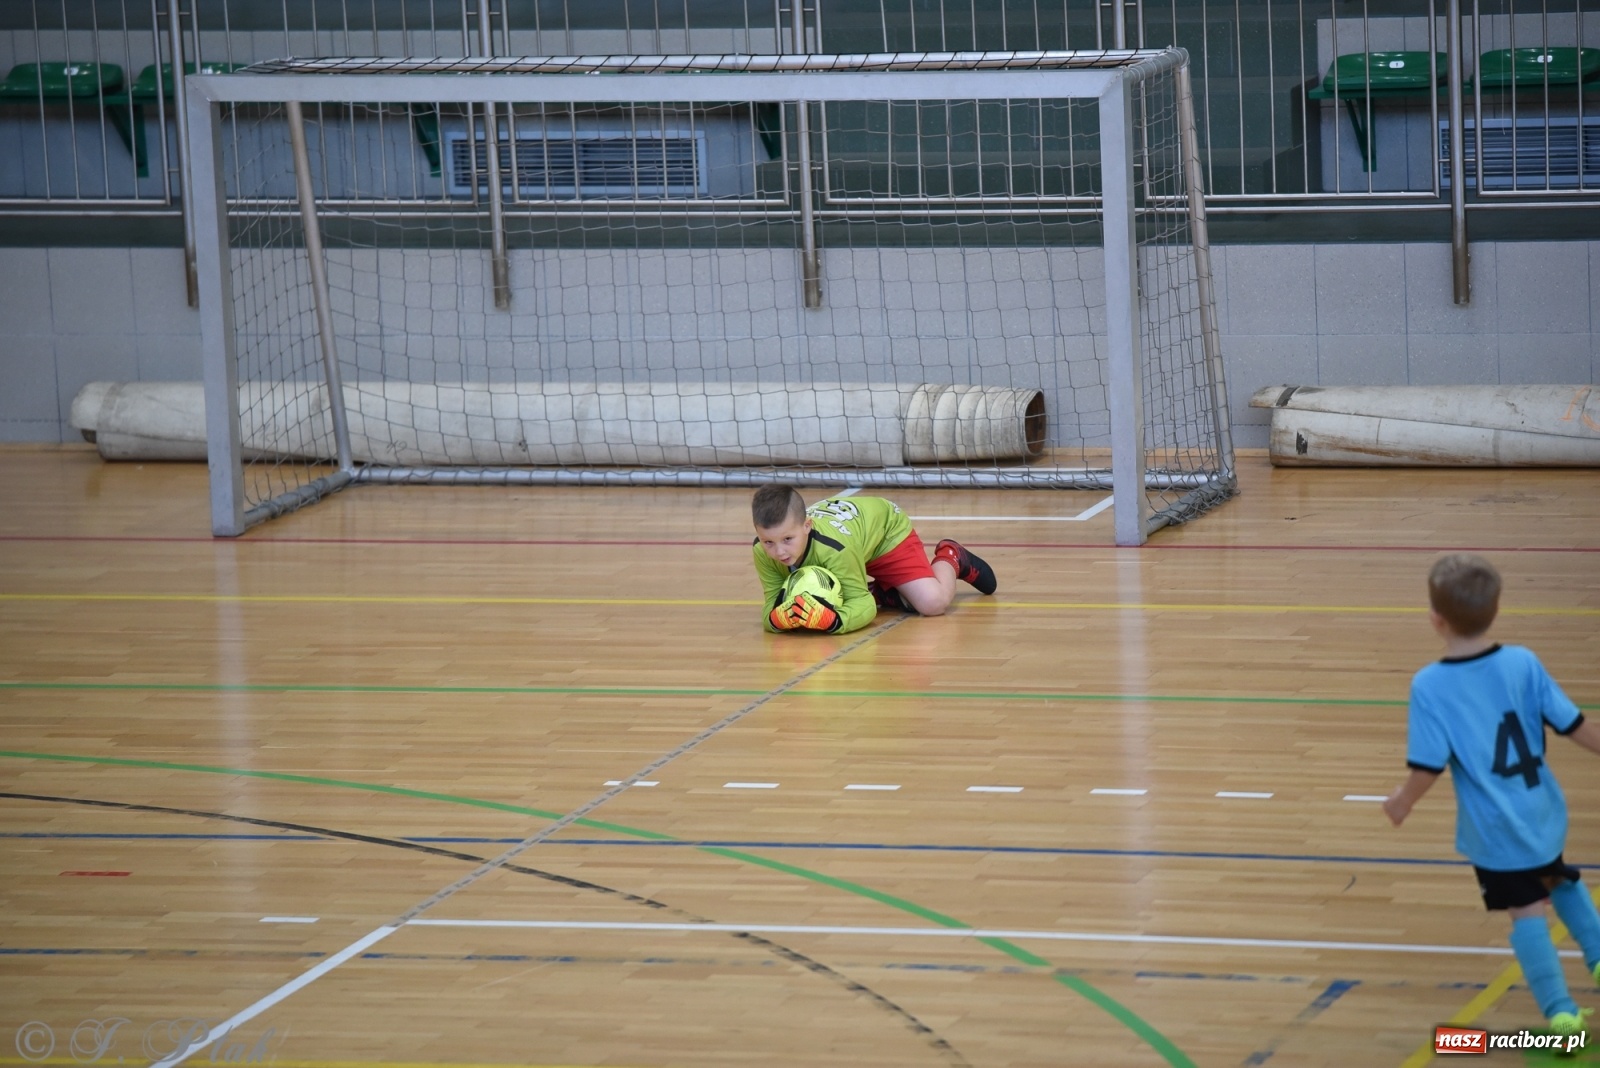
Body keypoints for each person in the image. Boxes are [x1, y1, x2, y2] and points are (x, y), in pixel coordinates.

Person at [1384, 554, 1600, 1038]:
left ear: (1436, 619)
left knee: (1527, 912)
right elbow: (1575, 725)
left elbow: (1427, 766)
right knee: (1560, 879)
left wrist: (1402, 801)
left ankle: (1560, 1012)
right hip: (1542, 811)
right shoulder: (1523, 662)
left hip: (1495, 830)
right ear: (1496, 611)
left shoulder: (1431, 685)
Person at [751, 485, 996, 634]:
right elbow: (773, 602)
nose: (779, 552)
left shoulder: (836, 549)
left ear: (807, 526)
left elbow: (864, 607)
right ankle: (884, 591)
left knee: (933, 603)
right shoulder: (762, 552)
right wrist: (776, 619)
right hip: (853, 542)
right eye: (768, 542)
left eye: (787, 539)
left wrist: (835, 621)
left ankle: (951, 556)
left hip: (885, 534)